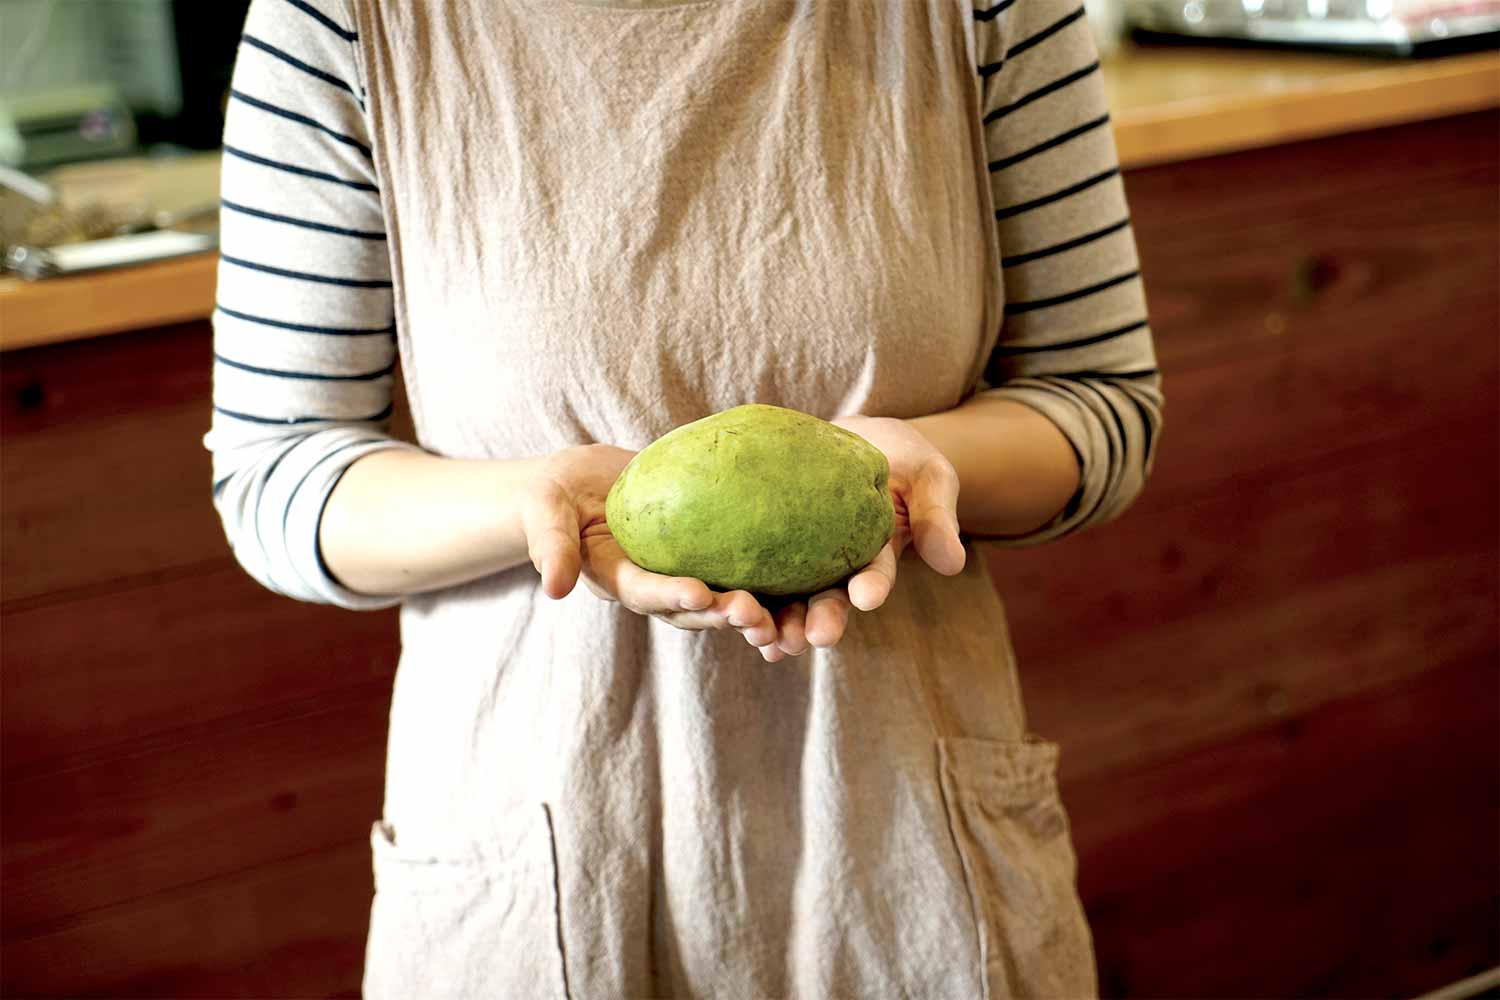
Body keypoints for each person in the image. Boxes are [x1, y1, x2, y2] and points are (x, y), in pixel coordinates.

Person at [205, 0, 1162, 996]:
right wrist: (541, 506)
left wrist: (925, 465)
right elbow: (276, 471)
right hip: (542, 856)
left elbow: (1104, 404)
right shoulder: (339, 18)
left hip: (914, 850)